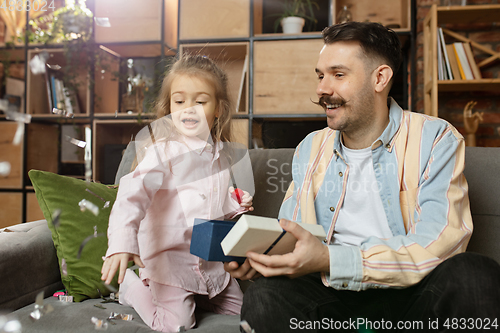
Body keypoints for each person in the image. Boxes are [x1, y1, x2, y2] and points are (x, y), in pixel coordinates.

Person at [225, 22, 500, 332]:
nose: (322, 89)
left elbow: (441, 243)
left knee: (474, 274)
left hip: (413, 299)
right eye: (320, 75)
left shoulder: (435, 138)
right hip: (332, 300)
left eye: (338, 75)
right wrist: (265, 258)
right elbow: (293, 234)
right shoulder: (310, 148)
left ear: (379, 78)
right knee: (265, 297)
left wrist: (333, 259)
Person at [101, 54, 254, 332]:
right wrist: (123, 242)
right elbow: (131, 195)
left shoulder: (220, 155)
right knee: (177, 325)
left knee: (246, 314)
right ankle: (131, 289)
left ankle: (197, 295)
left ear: (218, 109)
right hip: (169, 262)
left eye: (200, 101)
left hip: (210, 264)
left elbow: (209, 200)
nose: (188, 109)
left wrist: (235, 202)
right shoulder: (163, 151)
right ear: (169, 106)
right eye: (179, 101)